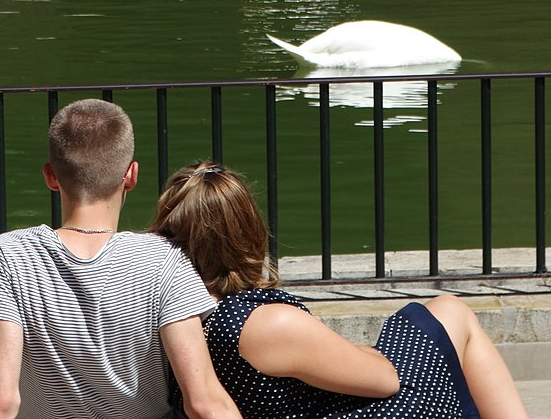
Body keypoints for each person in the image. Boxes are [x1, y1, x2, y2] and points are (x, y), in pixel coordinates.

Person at [148, 161, 530, 419]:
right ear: (247, 234)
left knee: (436, 319)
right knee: (449, 312)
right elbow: (384, 380)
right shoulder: (260, 322)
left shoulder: (162, 303)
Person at [0, 100, 242, 419]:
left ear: (50, 177)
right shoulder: (164, 259)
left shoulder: (11, 253)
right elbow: (204, 402)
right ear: (131, 176)